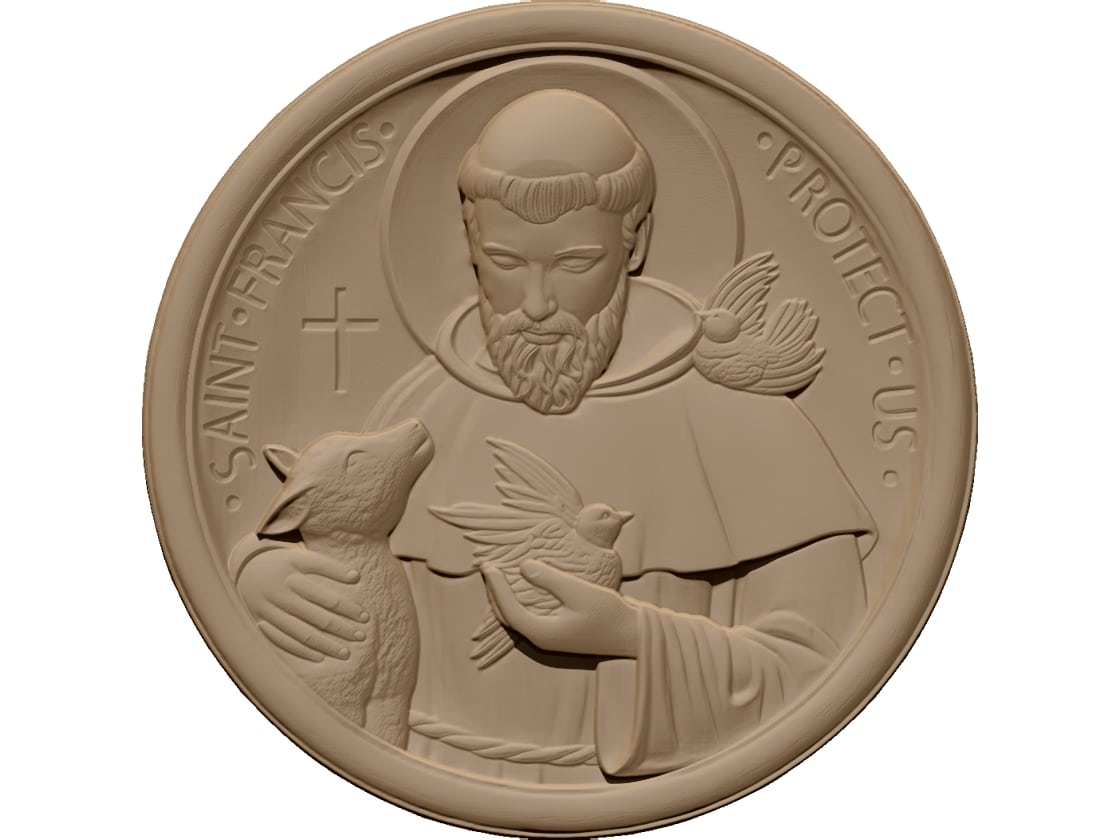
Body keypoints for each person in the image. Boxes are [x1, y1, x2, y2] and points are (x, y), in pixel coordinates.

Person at [231, 90, 875, 783]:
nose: (536, 304)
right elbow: (340, 539)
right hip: (419, 784)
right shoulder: (424, 403)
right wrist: (257, 577)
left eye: (573, 264)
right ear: (471, 245)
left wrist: (633, 636)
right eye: (506, 262)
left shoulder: (744, 419)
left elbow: (830, 664)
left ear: (634, 242)